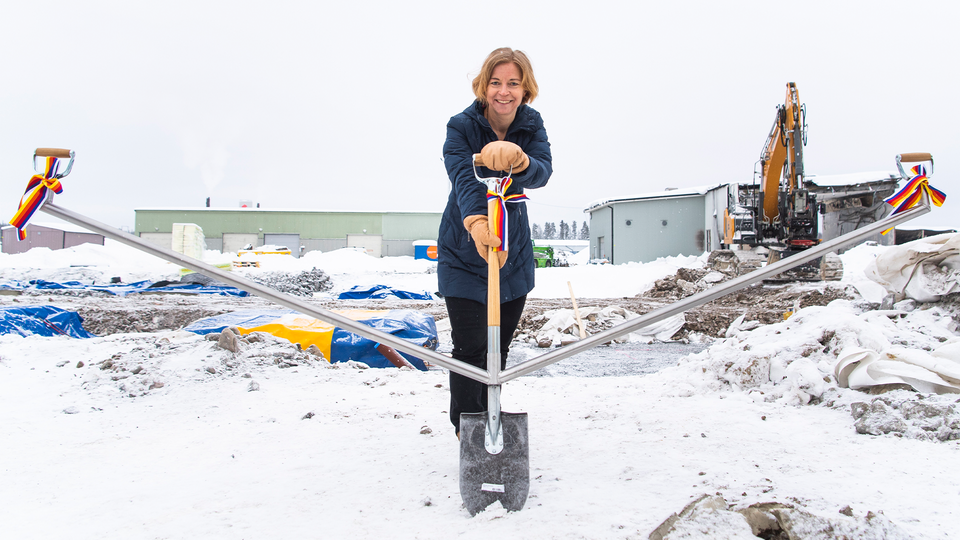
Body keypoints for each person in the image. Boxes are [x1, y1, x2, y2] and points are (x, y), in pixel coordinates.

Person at [438, 47, 553, 437]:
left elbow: (542, 172)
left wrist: (521, 162)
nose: (504, 92)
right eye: (496, 82)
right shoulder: (461, 126)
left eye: (513, 84)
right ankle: (467, 432)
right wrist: (475, 221)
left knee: (497, 348)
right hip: (464, 244)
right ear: (484, 86)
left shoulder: (532, 125)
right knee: (470, 347)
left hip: (513, 250)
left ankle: (490, 420)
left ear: (525, 88)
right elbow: (463, 175)